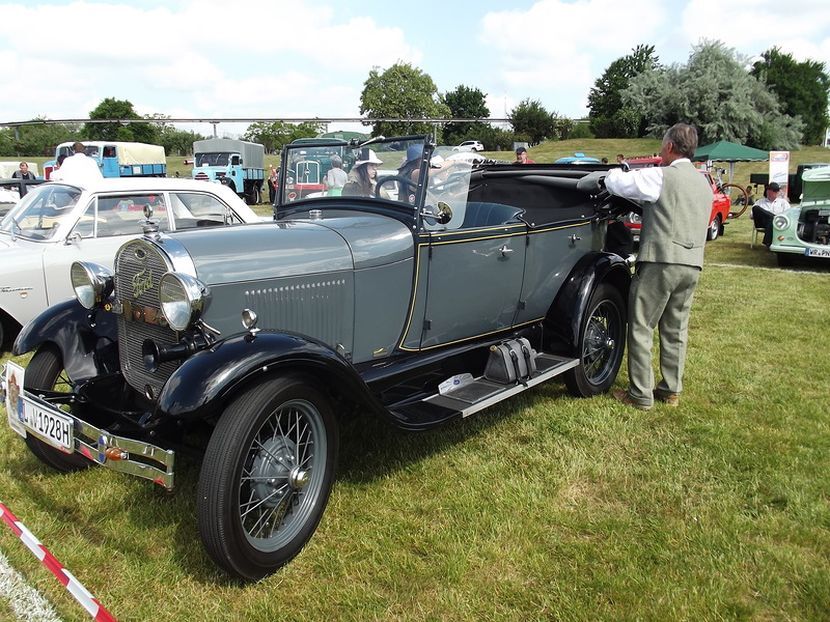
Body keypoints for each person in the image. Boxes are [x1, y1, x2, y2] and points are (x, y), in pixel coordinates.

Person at [591, 123, 712, 410]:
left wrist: (608, 173)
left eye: (662, 144)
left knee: (641, 325)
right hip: (692, 263)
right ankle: (671, 389)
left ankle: (640, 394)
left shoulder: (660, 176)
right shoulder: (704, 184)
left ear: (670, 146)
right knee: (676, 328)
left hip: (661, 260)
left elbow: (617, 183)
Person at [751, 182, 790, 246]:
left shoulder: (783, 203)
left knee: (772, 219)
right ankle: (773, 217)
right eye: (768, 190)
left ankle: (767, 242)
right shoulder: (760, 202)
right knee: (756, 208)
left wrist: (774, 218)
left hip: (777, 223)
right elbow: (752, 215)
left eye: (771, 191)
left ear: (776, 192)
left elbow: (787, 215)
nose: (768, 192)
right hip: (762, 222)